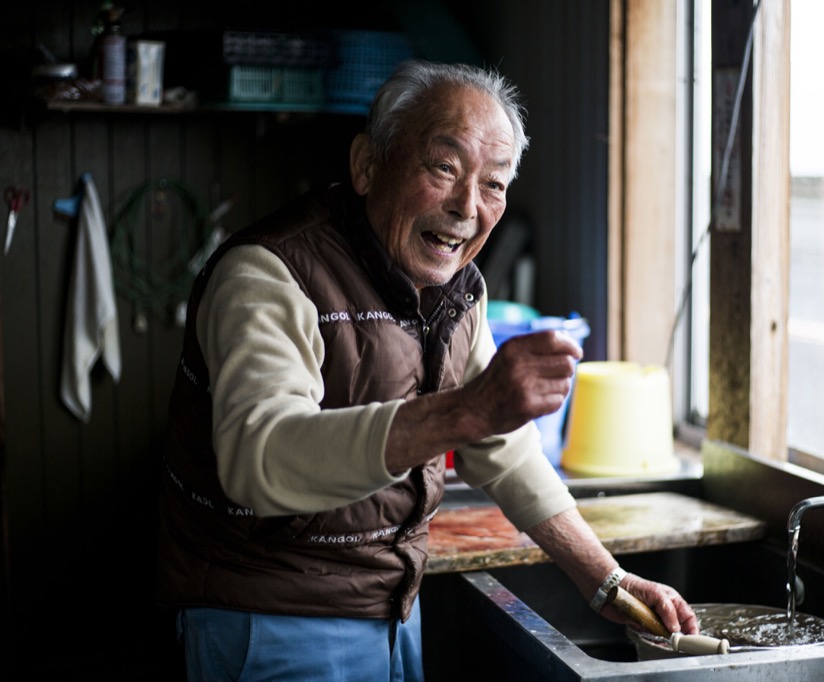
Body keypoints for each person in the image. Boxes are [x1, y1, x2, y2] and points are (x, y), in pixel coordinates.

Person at [157, 59, 698, 681]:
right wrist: (466, 410)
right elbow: (259, 460)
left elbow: (503, 449)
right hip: (267, 616)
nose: (468, 206)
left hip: (393, 610)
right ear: (366, 165)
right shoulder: (269, 274)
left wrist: (608, 581)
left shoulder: (458, 290)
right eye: (444, 168)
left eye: (493, 184)